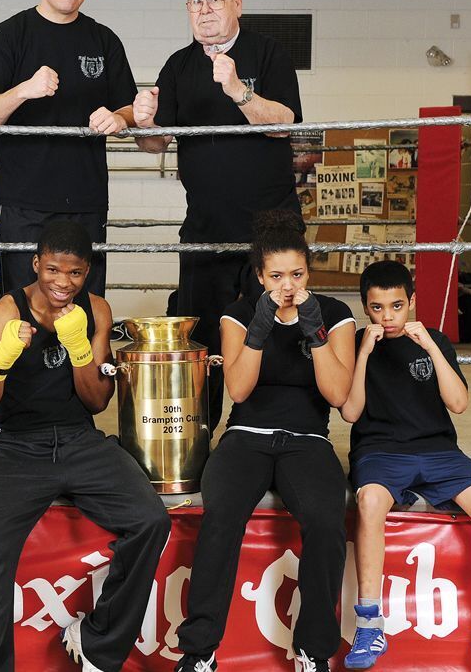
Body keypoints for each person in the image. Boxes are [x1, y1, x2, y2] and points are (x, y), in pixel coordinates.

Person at [0, 220, 171, 672]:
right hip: (17, 447)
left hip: (79, 441)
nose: (62, 282)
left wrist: (78, 347)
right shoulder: (3, 314)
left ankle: (97, 642)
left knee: (151, 520)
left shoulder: (96, 310)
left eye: (74, 273)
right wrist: (0, 362)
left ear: (87, 272)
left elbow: (96, 400)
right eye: (53, 269)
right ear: (37, 264)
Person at [340, 260, 471, 671]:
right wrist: (362, 353)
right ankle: (368, 624)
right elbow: (349, 413)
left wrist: (431, 348)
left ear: (412, 302)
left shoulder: (433, 340)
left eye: (397, 306)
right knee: (369, 503)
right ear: (366, 308)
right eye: (378, 308)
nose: (388, 317)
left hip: (439, 451)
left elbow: (459, 404)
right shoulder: (357, 342)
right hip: (380, 450)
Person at [174, 210, 355, 672]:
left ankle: (315, 652)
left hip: (308, 438)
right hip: (246, 436)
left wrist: (313, 330)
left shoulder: (335, 314)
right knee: (221, 514)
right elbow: (238, 390)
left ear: (309, 272)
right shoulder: (238, 314)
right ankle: (199, 652)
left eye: (296, 274)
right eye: (276, 275)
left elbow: (337, 394)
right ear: (259, 276)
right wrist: (261, 324)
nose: (288, 285)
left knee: (325, 519)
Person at [132, 0, 303, 432]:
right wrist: (144, 124)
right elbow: (155, 143)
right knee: (202, 338)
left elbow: (285, 122)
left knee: (274, 330)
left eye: (215, 0)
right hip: (205, 227)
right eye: (195, 2)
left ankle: (269, 431)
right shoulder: (178, 65)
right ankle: (199, 434)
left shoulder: (269, 54)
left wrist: (237, 90)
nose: (205, 10)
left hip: (270, 231)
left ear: (237, 4)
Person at [0, 0, 137, 297]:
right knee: (22, 310)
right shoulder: (10, 36)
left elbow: (129, 106)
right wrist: (24, 90)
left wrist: (121, 118)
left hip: (86, 201)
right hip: (25, 203)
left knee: (86, 308)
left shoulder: (103, 40)